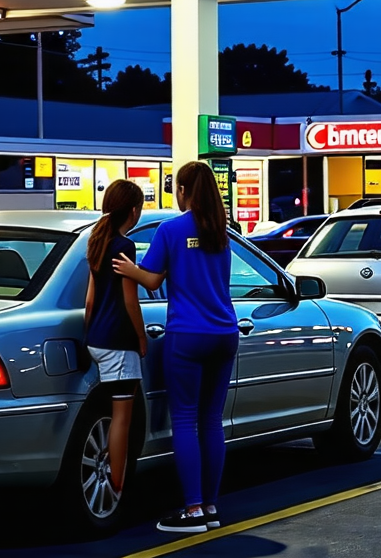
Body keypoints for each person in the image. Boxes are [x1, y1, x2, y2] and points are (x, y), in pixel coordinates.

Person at [113, 161, 238, 535]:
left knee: (184, 419)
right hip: (225, 332)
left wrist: (128, 269)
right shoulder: (221, 231)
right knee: (211, 419)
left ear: (183, 190)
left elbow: (152, 279)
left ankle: (192, 510)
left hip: (187, 334)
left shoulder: (170, 230)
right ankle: (210, 507)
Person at [84, 179, 148, 501]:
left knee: (112, 413)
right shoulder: (124, 246)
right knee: (122, 416)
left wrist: (90, 332)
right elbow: (130, 300)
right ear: (133, 210)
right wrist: (141, 337)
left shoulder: (97, 241)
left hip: (97, 338)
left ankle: (114, 477)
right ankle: (117, 485)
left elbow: (90, 300)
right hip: (119, 343)